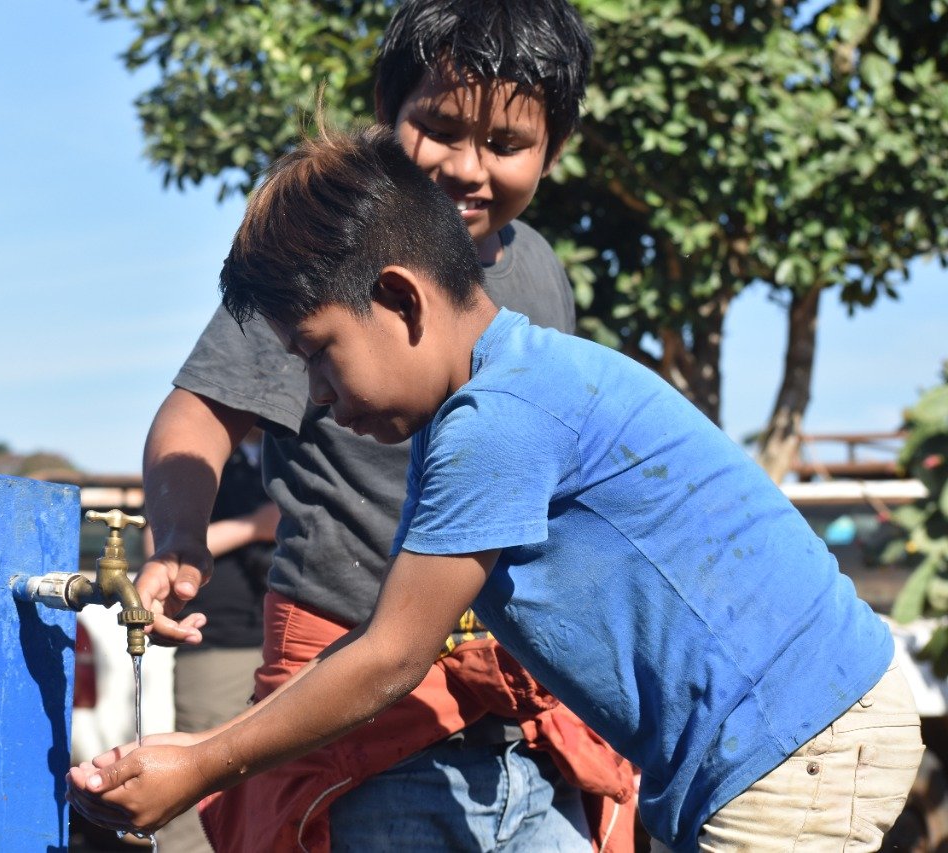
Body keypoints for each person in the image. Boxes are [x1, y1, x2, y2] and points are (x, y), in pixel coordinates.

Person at [69, 124, 925, 852]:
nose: (318, 399)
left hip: (801, 734)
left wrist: (207, 765)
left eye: (319, 354)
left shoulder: (497, 418)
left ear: (400, 299)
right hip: (796, 729)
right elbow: (383, 635)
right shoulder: (488, 400)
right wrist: (205, 741)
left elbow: (392, 659)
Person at [89, 1, 639, 850]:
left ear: (553, 151)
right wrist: (179, 536)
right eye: (441, 127)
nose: (466, 167)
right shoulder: (330, 257)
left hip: (517, 709)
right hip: (347, 689)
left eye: (504, 144)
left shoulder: (540, 274)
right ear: (388, 117)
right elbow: (199, 411)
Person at [154, 431, 279, 852]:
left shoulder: (287, 450)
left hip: (289, 639)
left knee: (278, 786)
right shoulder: (199, 456)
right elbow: (159, 547)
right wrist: (253, 528)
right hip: (218, 645)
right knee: (200, 786)